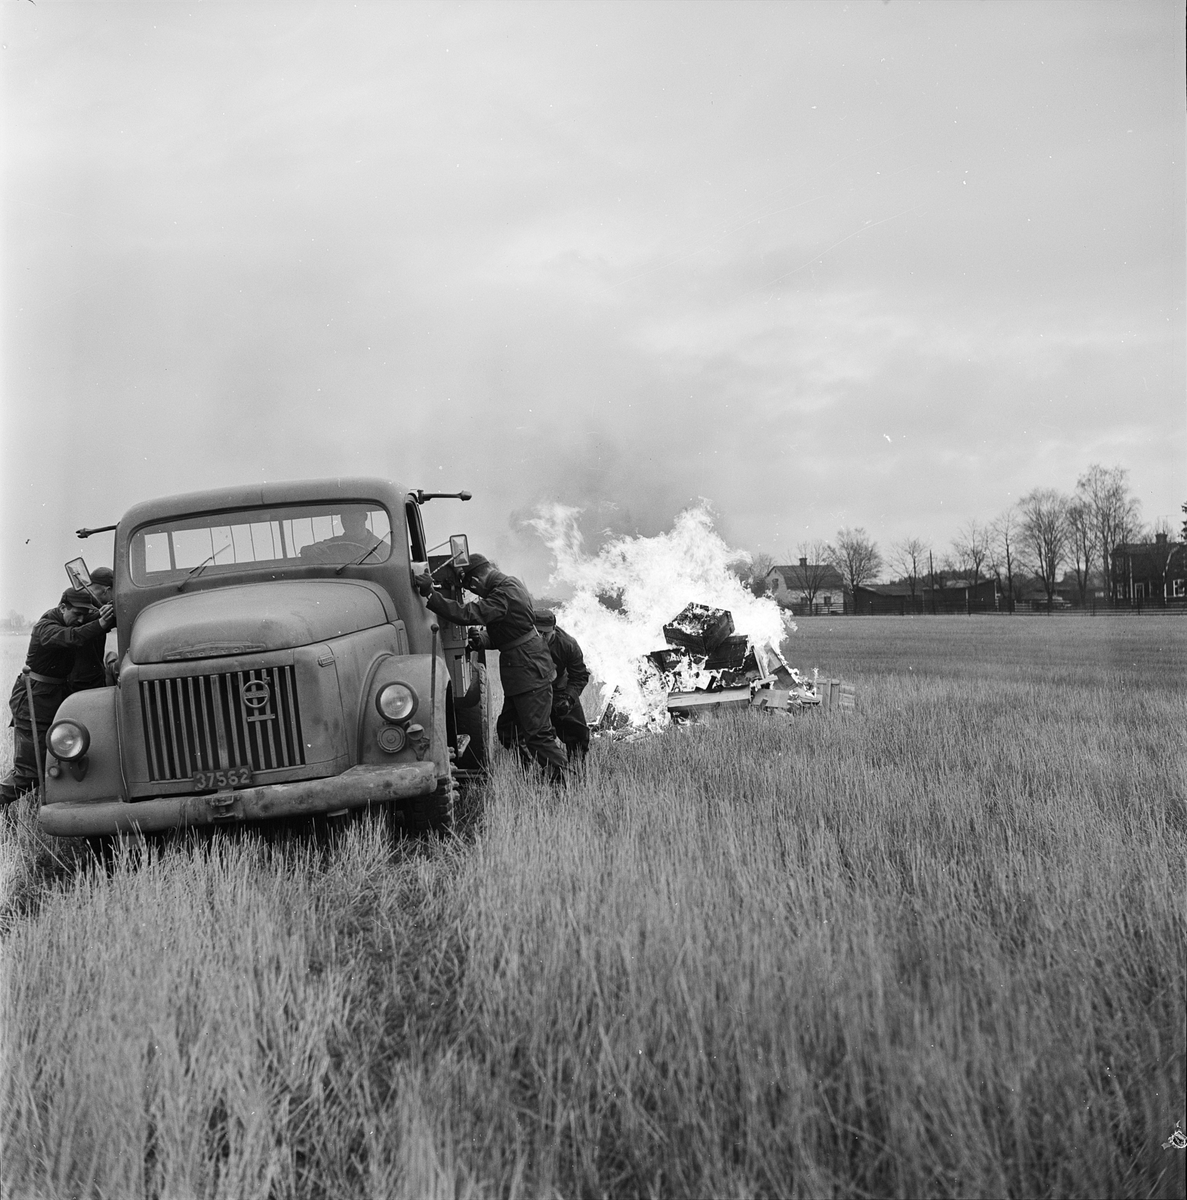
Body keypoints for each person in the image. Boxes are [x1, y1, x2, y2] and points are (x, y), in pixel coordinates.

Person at [413, 554, 568, 783]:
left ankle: (562, 781)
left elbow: (468, 614)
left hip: (528, 671)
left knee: (538, 735)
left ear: (476, 580)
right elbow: (511, 632)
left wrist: (430, 594)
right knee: (507, 731)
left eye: (471, 587)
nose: (475, 592)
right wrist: (483, 640)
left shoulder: (503, 593)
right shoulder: (509, 585)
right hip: (523, 671)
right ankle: (534, 773)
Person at [2, 589, 116, 801]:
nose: (81, 619)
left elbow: (88, 620)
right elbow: (72, 638)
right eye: (77, 613)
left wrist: (107, 612)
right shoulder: (46, 627)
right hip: (33, 701)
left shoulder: (70, 619)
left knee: (55, 758)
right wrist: (100, 623)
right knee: (30, 771)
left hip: (52, 698)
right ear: (62, 608)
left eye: (85, 614)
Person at [533, 608, 591, 761]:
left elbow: (579, 675)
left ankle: (577, 770)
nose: (542, 636)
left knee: (578, 733)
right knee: (533, 733)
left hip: (559, 688)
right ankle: (538, 771)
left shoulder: (568, 644)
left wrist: (569, 699)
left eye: (546, 633)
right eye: (538, 632)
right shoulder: (524, 640)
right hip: (533, 689)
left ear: (554, 630)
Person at [67, 566, 116, 693]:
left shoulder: (79, 601)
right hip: (84, 681)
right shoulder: (90, 608)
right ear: (107, 590)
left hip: (85, 677)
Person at [300, 507, 384, 564]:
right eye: (344, 520)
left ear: (365, 517)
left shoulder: (383, 548)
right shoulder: (333, 544)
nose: (348, 524)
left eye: (353, 520)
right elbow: (305, 551)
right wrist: (312, 550)